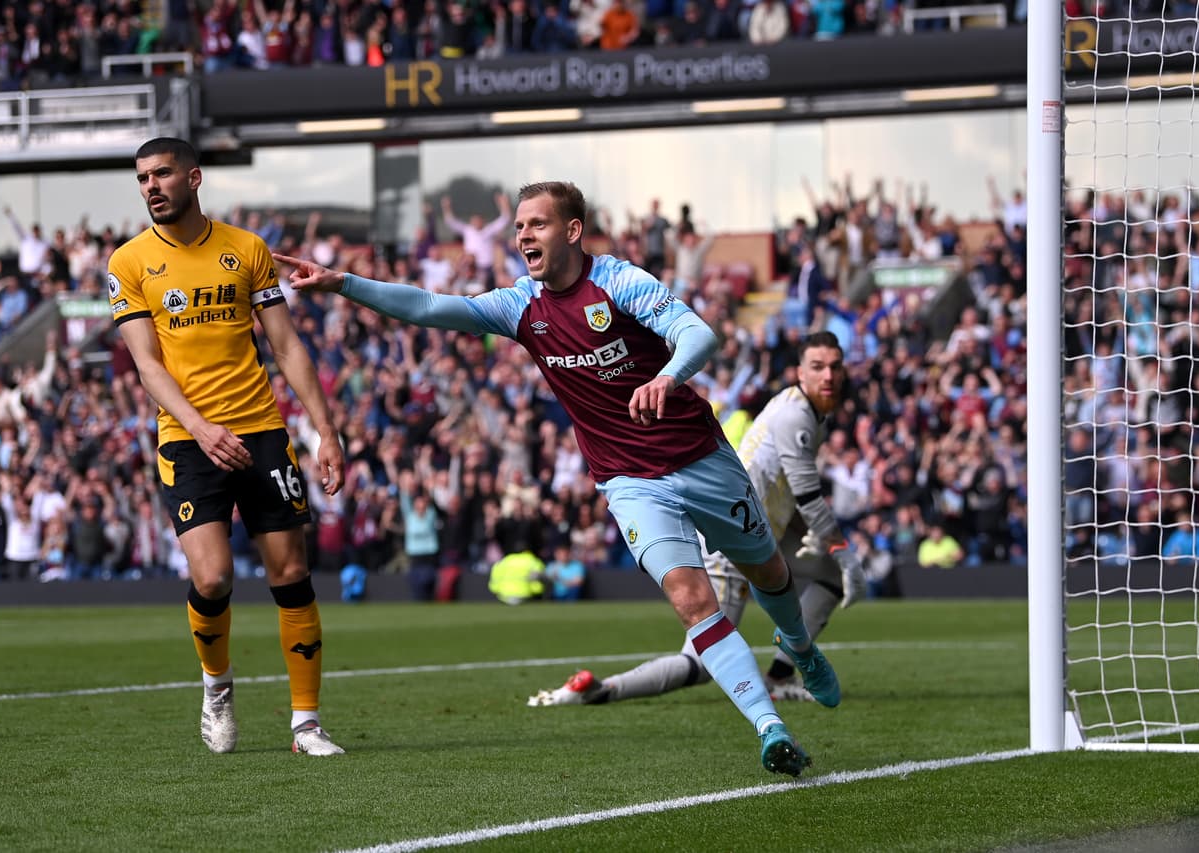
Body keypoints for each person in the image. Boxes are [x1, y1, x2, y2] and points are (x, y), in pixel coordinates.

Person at [276, 180, 839, 778]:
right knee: (690, 597)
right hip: (628, 481)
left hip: (700, 457)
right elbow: (429, 306)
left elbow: (700, 334)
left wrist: (667, 378)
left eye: (536, 224)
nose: (523, 235)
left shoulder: (619, 283)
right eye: (519, 227)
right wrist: (344, 283)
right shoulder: (522, 306)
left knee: (768, 571)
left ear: (572, 231)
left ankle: (800, 648)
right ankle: (769, 728)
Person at [107, 137, 346, 757]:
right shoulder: (129, 262)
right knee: (211, 579)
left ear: (194, 177)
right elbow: (147, 364)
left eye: (161, 174)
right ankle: (217, 686)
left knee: (291, 572)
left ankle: (306, 724)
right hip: (188, 440)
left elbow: (287, 346)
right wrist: (200, 428)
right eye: (141, 178)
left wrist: (326, 428)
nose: (151, 187)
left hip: (262, 432)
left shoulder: (247, 250)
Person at [528, 331, 866, 707]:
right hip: (733, 533)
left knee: (828, 577)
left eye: (835, 367)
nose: (829, 376)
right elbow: (806, 493)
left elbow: (783, 489)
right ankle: (601, 689)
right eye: (818, 367)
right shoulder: (795, 415)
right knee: (701, 662)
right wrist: (843, 550)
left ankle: (781, 675)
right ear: (799, 372)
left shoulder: (804, 410)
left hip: (761, 526)